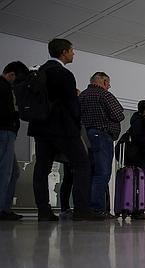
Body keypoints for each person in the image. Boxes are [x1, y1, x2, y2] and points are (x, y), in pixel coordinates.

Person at [28, 38, 96, 221]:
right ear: (64, 52)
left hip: (40, 128)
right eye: (72, 51)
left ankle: (44, 211)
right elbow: (72, 105)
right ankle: (82, 209)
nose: (74, 54)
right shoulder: (64, 74)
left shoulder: (39, 72)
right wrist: (76, 127)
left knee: (42, 168)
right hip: (63, 128)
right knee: (82, 164)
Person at [79, 72, 125, 217]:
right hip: (102, 136)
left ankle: (85, 207)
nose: (109, 86)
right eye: (108, 83)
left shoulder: (82, 96)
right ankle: (97, 209)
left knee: (90, 172)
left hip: (85, 136)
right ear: (104, 82)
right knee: (102, 173)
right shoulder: (104, 95)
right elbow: (119, 115)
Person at [0, 61, 28, 220]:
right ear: (11, 75)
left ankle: (5, 207)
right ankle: (2, 209)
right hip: (4, 132)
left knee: (12, 172)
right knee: (5, 172)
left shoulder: (6, 88)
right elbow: (7, 112)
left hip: (7, 132)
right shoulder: (3, 88)